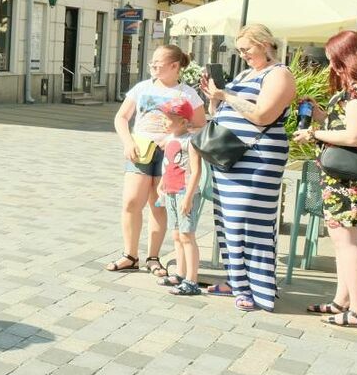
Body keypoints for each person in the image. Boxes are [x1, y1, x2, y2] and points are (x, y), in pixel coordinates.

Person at [294, 30, 357, 331]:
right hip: (346, 172)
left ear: (347, 59)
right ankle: (342, 301)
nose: (332, 68)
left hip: (347, 176)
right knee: (343, 241)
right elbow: (344, 126)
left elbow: (353, 136)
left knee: (347, 242)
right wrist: (321, 114)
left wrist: (313, 133)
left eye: (334, 62)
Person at [202, 23, 296, 312]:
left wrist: (225, 95)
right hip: (230, 156)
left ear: (265, 44)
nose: (243, 55)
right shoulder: (245, 73)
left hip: (258, 157)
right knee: (228, 221)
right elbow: (221, 113)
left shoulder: (279, 74)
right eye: (239, 50)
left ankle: (258, 290)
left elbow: (262, 115)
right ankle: (236, 282)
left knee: (251, 221)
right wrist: (213, 100)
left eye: (247, 49)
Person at [108, 44, 205, 277]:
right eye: (152, 61)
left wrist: (173, 137)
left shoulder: (187, 94)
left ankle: (153, 257)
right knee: (131, 202)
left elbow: (201, 125)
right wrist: (128, 141)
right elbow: (121, 117)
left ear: (174, 66)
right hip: (140, 150)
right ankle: (130, 255)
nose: (153, 65)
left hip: (171, 156)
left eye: (158, 62)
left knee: (157, 205)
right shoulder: (142, 88)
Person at [154, 99, 204, 296]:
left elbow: (196, 171)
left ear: (183, 122)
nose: (164, 121)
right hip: (171, 192)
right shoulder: (170, 140)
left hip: (184, 193)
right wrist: (161, 185)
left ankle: (192, 280)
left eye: (168, 118)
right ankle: (180, 274)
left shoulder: (190, 141)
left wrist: (189, 196)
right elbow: (167, 165)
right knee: (176, 234)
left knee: (187, 236)